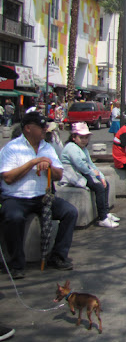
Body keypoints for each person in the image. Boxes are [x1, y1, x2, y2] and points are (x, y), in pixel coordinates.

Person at [0, 112, 78, 278]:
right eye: (41, 127)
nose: (45, 130)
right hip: (16, 197)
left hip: (42, 197)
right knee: (13, 217)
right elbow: (8, 178)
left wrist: (49, 166)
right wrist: (32, 163)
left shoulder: (47, 147)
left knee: (70, 212)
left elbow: (59, 174)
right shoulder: (12, 148)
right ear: (28, 128)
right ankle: (17, 264)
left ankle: (58, 256)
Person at [60, 122, 120, 228]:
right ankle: (102, 218)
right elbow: (80, 165)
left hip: (83, 174)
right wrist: (94, 174)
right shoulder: (71, 148)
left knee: (105, 183)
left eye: (86, 137)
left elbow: (90, 164)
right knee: (99, 187)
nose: (84, 140)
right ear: (74, 137)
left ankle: (105, 212)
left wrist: (100, 176)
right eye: (81, 137)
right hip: (73, 176)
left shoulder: (83, 149)